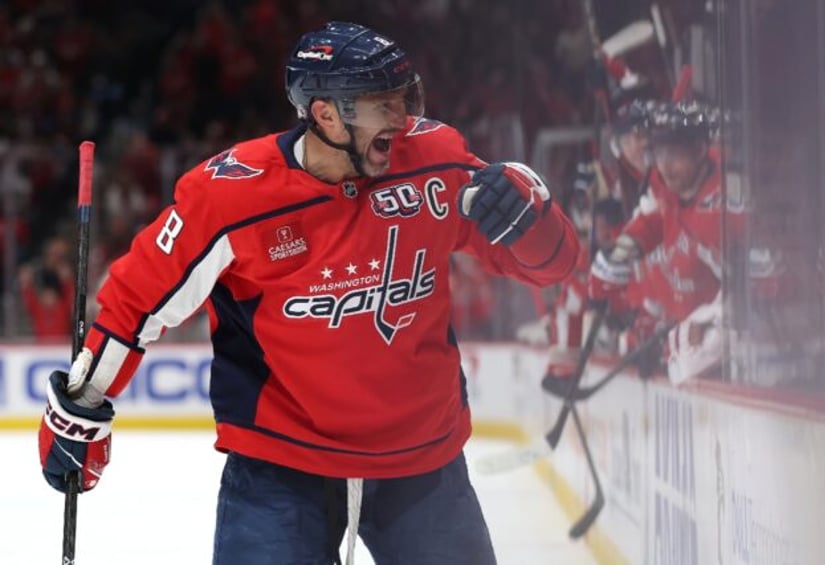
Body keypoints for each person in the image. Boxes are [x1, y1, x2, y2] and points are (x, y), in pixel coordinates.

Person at [38, 21, 580, 565]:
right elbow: (137, 300)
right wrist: (80, 405)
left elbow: (553, 266)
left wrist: (531, 218)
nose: (402, 119)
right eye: (382, 105)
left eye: (403, 99)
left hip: (423, 465)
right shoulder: (231, 197)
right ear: (325, 115)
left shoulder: (435, 159)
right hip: (281, 470)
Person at [587, 101, 745, 383]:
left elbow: (753, 291)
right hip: (695, 337)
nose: (665, 165)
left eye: (674, 153)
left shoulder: (723, 206)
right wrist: (619, 256)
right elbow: (651, 218)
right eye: (659, 153)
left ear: (699, 150)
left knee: (694, 348)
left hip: (743, 355)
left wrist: (716, 321)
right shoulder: (668, 184)